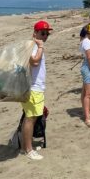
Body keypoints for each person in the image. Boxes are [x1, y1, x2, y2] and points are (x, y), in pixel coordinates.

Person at [20, 20, 53, 160]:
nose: (45, 36)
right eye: (42, 33)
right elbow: (34, 61)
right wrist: (40, 47)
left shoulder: (33, 45)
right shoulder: (35, 46)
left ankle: (24, 146)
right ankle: (28, 150)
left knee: (30, 116)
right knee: (30, 119)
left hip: (34, 87)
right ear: (35, 33)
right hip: (33, 88)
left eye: (47, 33)